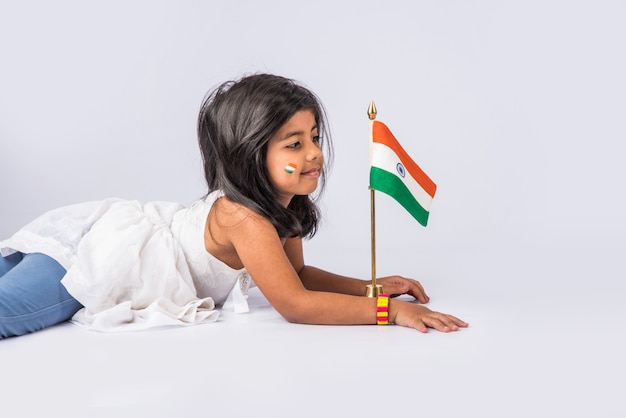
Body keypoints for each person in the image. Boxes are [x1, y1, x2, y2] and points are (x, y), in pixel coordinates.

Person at [0, 73, 468, 339]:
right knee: (7, 313)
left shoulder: (282, 207)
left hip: (116, 241)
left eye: (315, 138)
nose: (313, 154)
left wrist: (368, 287)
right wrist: (390, 312)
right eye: (293, 144)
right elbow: (295, 304)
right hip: (99, 262)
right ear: (251, 154)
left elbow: (297, 277)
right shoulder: (243, 216)